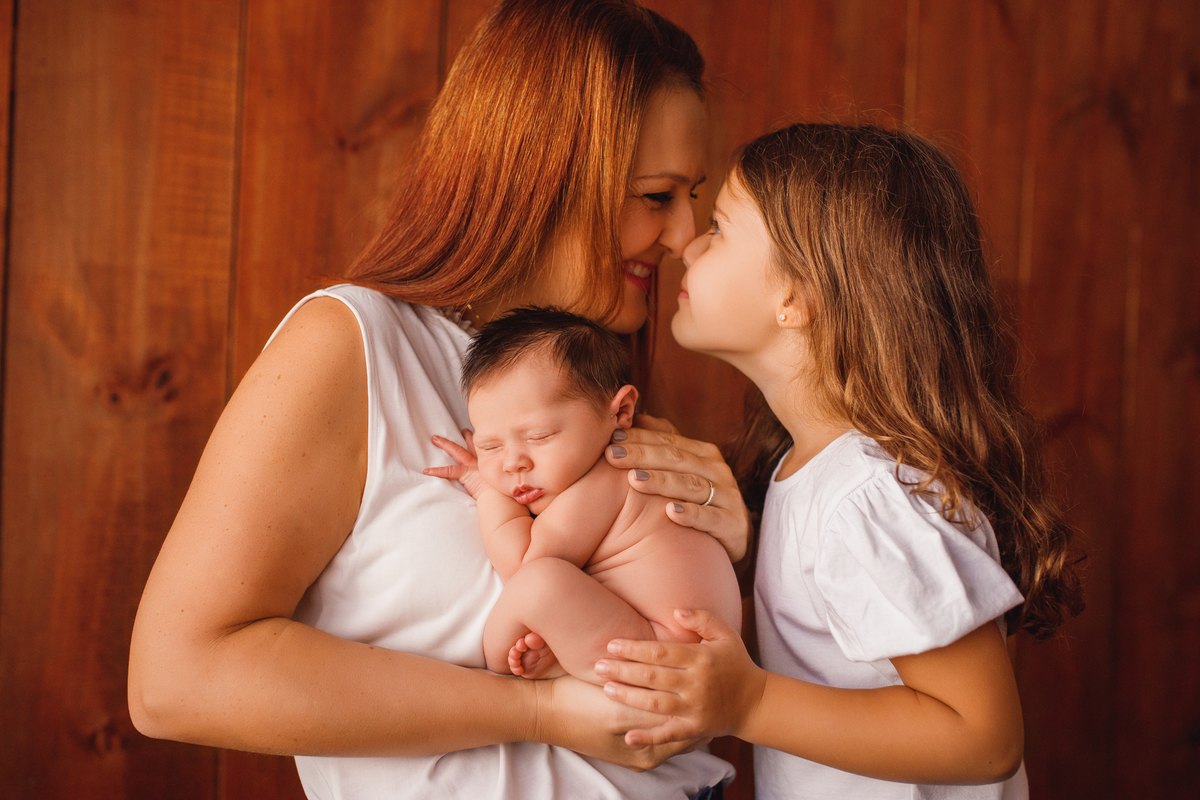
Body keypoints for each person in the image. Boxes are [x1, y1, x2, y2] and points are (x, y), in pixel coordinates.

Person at [127, 2, 751, 798]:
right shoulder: (352, 347)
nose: (683, 235)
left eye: (692, 196)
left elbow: (682, 662)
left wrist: (734, 538)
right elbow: (175, 679)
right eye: (656, 196)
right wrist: (540, 714)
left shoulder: (589, 377)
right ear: (542, 176)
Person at [594, 124, 1085, 798]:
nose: (689, 245)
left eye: (722, 228)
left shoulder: (866, 495)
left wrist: (749, 704)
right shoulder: (815, 474)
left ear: (797, 297)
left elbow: (985, 736)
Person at [423, 307, 742, 685]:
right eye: (489, 446)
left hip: (660, 651)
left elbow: (524, 561)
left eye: (539, 436)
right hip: (672, 650)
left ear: (620, 411)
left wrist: (487, 490)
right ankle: (574, 661)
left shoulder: (613, 475)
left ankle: (555, 669)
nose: (513, 464)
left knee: (537, 583)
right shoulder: (618, 462)